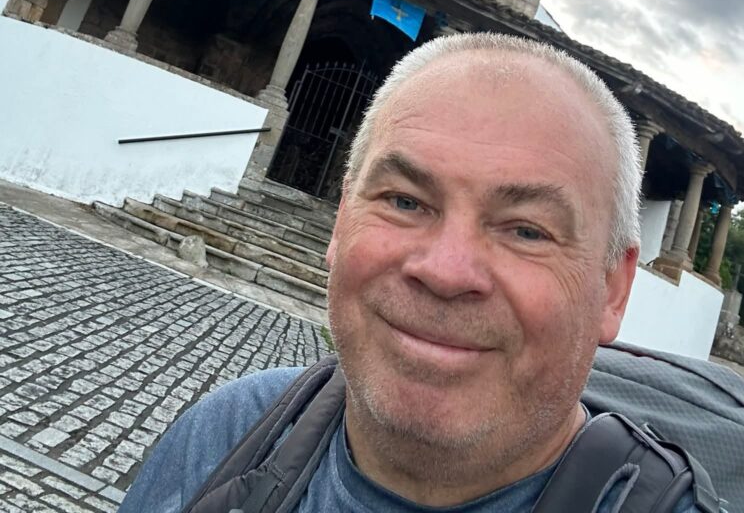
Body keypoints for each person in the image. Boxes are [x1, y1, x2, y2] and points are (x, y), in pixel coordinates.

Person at [118, 33, 700, 512]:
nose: (445, 272)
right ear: (341, 222)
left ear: (614, 289)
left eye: (526, 231)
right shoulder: (225, 435)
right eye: (404, 201)